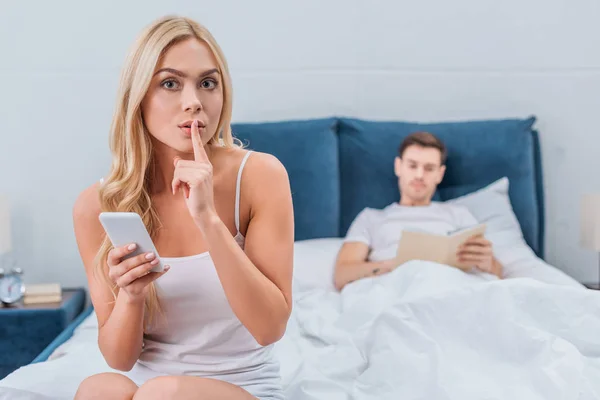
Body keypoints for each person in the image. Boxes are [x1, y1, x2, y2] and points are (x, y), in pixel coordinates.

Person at [73, 15, 293, 400]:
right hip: (147, 387)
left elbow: (270, 328)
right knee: (99, 388)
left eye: (207, 83)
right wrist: (132, 296)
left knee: (163, 394)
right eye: (170, 84)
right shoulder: (98, 205)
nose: (194, 102)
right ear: (138, 96)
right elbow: (119, 360)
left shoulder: (259, 175)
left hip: (242, 387)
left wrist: (208, 219)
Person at [334, 131, 502, 291]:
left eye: (429, 168)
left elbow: (498, 274)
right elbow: (342, 275)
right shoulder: (371, 218)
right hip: (395, 286)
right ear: (398, 166)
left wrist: (487, 263)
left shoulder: (459, 214)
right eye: (412, 166)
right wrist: (395, 265)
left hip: (449, 287)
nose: (420, 175)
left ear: (440, 174)